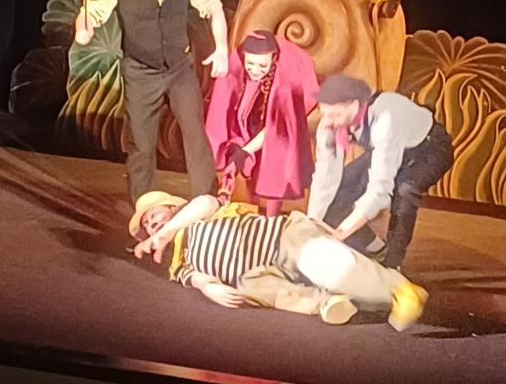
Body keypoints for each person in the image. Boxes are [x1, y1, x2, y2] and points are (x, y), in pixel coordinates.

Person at [73, 0, 226, 201]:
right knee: (141, 145)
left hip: (179, 68)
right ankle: (143, 209)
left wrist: (222, 48)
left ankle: (207, 202)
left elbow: (213, 6)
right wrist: (83, 29)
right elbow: (91, 12)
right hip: (141, 72)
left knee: (195, 134)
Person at [127, 190, 428, 330]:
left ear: (172, 207)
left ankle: (399, 291)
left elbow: (204, 202)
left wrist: (166, 231)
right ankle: (326, 303)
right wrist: (209, 287)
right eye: (149, 227)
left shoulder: (197, 215)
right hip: (258, 273)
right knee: (250, 287)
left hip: (283, 239)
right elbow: (193, 278)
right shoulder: (179, 262)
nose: (153, 225)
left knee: (325, 264)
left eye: (154, 215)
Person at [306, 75, 454, 268]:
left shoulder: (385, 119)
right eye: (324, 113)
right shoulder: (330, 123)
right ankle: (377, 249)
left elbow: (379, 190)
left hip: (430, 149)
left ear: (355, 105)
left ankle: (393, 263)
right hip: (391, 147)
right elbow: (325, 177)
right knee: (339, 195)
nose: (328, 122)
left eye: (335, 115)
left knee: (404, 192)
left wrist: (341, 233)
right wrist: (312, 225)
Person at [204, 29, 319, 216]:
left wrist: (244, 152)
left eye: (262, 65)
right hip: (249, 123)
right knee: (245, 167)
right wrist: (236, 152)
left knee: (275, 159)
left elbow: (275, 128)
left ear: (273, 59)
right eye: (250, 63)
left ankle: (271, 219)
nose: (255, 70)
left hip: (276, 132)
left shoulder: (285, 83)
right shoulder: (237, 69)